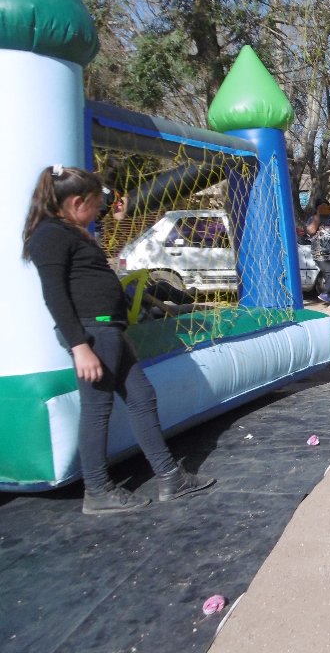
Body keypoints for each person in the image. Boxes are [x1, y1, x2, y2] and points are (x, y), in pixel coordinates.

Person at [23, 165, 214, 514]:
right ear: (76, 201)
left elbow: (90, 273)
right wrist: (80, 346)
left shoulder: (71, 230)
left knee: (142, 396)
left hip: (107, 331)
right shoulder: (49, 235)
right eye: (94, 204)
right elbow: (55, 295)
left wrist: (117, 331)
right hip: (91, 333)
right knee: (97, 411)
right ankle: (97, 490)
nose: (98, 211)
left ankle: (170, 477)